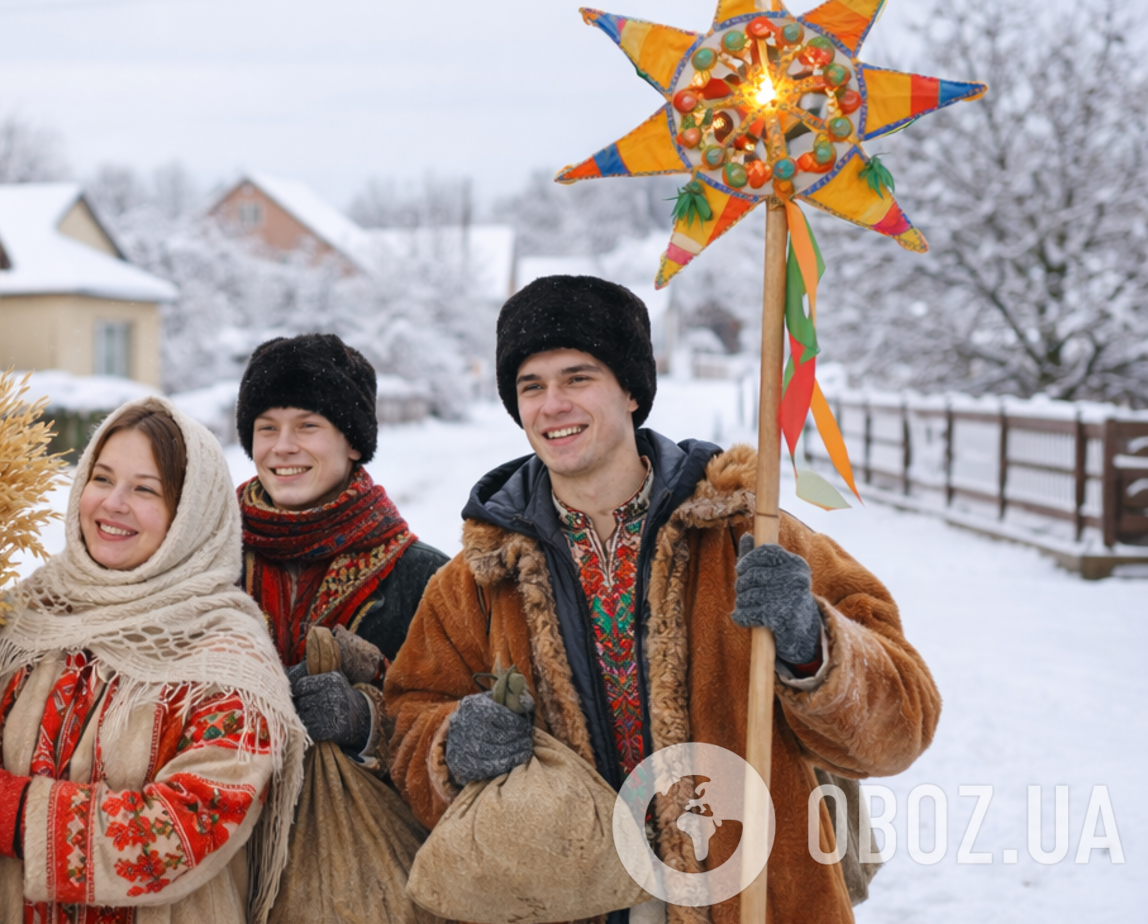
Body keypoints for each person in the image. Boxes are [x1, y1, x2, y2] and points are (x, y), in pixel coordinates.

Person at [383, 276, 940, 924]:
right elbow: (410, 718)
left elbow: (902, 727)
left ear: (630, 389)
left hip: (753, 895)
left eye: (578, 378)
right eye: (530, 386)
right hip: (569, 897)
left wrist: (809, 642)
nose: (552, 404)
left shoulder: (749, 534)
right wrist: (451, 746)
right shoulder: (477, 581)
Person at [0, 397, 308, 924]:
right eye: (102, 478)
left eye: (145, 489)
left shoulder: (226, 658)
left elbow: (182, 830)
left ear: (190, 515)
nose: (113, 503)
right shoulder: (26, 619)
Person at [233, 333, 448, 768]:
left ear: (352, 442)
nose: (283, 446)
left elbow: (452, 727)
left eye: (307, 425)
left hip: (361, 828)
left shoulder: (424, 578)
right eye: (267, 427)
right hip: (226, 828)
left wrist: (367, 723)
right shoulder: (209, 559)